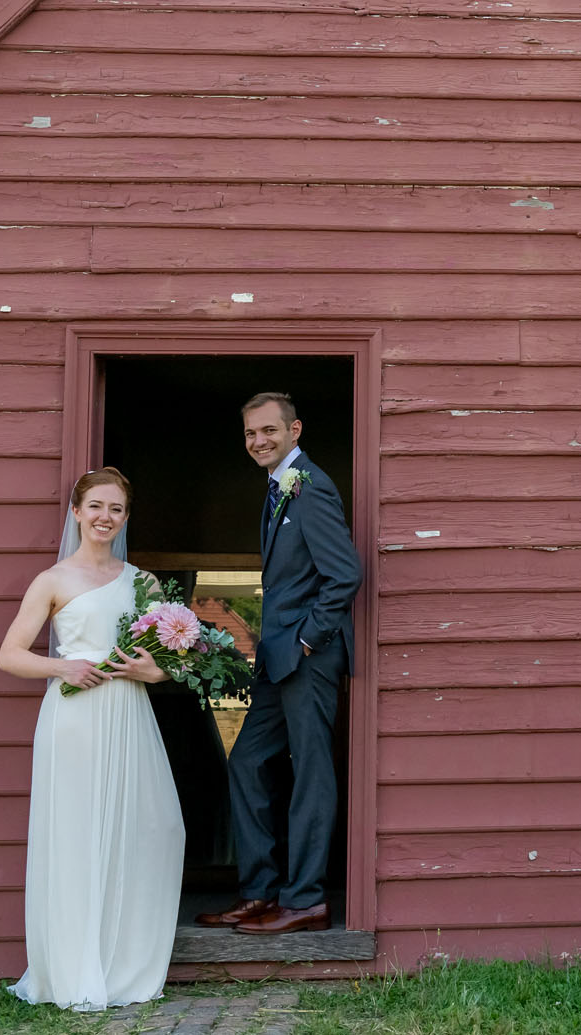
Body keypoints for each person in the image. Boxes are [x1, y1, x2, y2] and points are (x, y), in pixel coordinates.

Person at [0, 466, 185, 1007]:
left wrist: (155, 672)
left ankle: (124, 963)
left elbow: (171, 661)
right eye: (96, 507)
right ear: (77, 512)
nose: (106, 518)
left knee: (154, 828)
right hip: (74, 718)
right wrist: (64, 668)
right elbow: (10, 655)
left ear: (126, 518)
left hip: (129, 714)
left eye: (117, 509)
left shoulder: (143, 582)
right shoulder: (52, 581)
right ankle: (76, 968)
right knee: (77, 836)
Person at [197, 392, 361, 935]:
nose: (258, 441)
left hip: (307, 658)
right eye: (250, 433)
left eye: (269, 430)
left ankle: (306, 898)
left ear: (295, 430)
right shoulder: (278, 487)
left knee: (312, 774)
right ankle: (261, 892)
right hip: (277, 659)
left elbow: (345, 574)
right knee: (245, 760)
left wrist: (309, 640)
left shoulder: (310, 487)